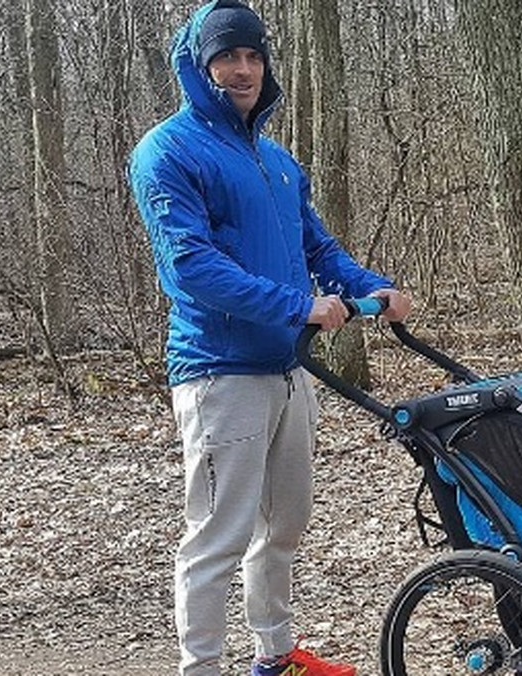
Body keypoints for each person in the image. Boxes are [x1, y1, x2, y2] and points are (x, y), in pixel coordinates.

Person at [128, 1, 410, 674]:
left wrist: (379, 287)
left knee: (283, 526)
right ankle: (201, 668)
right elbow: (190, 269)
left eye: (253, 55)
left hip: (287, 369)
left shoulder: (275, 158)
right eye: (228, 57)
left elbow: (318, 246)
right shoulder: (167, 151)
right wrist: (299, 307)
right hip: (219, 371)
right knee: (218, 537)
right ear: (200, 67)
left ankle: (275, 657)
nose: (243, 69)